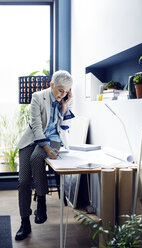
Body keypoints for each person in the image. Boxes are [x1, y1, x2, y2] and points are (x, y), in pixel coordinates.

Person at [15, 70, 74, 241]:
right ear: (51, 85)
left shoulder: (64, 99)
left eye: (66, 91)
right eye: (60, 90)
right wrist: (46, 148)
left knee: (36, 158)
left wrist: (64, 107)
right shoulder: (37, 97)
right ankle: (24, 221)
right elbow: (36, 125)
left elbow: (65, 127)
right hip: (34, 138)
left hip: (54, 138)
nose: (62, 94)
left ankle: (41, 201)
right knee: (23, 181)